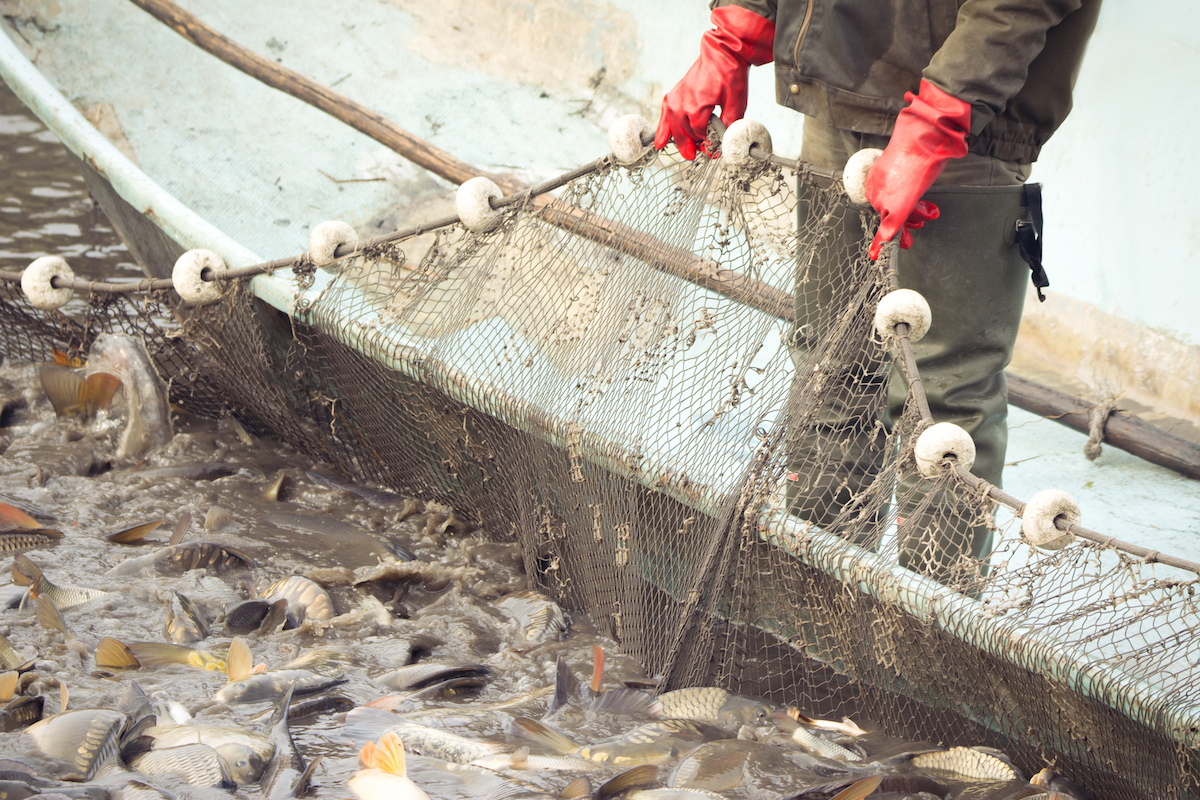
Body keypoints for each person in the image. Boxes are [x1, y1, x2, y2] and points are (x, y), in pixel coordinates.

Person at [656, 0, 1101, 582]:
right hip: (837, 90)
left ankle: (933, 640)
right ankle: (817, 618)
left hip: (971, 126)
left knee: (944, 407)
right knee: (830, 371)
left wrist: (937, 120)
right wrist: (735, 33)